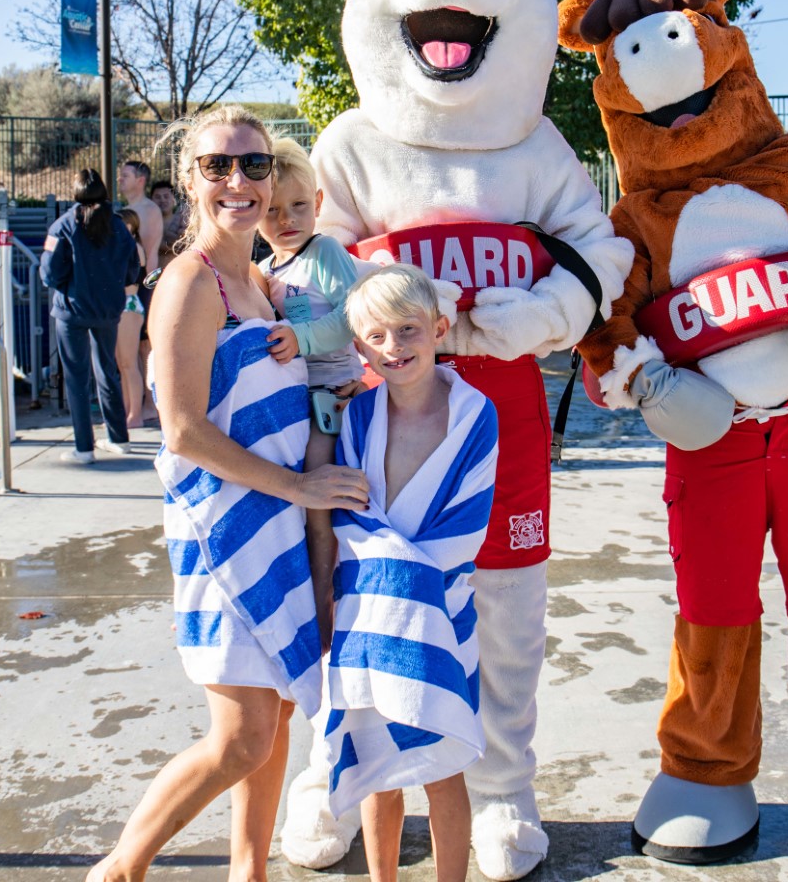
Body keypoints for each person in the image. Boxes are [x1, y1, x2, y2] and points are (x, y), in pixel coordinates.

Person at [86, 105, 370, 882]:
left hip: (277, 527)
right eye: (218, 166)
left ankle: (251, 873)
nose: (238, 181)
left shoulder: (265, 283)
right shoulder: (191, 282)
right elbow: (181, 430)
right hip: (225, 534)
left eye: (254, 165)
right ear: (190, 181)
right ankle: (121, 868)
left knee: (274, 716)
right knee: (240, 737)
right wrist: (298, 482)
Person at [322, 264, 498, 882]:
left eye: (408, 330)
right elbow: (349, 515)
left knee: (444, 769)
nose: (394, 348)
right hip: (370, 617)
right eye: (377, 336)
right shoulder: (359, 418)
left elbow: (466, 526)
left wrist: (402, 578)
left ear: (439, 328)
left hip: (444, 614)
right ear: (358, 344)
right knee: (378, 771)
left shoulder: (477, 415)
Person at [257, 137, 370, 648]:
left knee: (319, 504)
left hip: (334, 398)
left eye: (300, 206)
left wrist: (300, 339)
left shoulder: (322, 251)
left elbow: (351, 319)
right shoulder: (264, 272)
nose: (287, 219)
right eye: (274, 209)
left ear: (319, 204)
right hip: (295, 404)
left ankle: (325, 620)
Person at [40, 168, 138, 463]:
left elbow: (49, 273)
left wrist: (70, 287)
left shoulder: (63, 226)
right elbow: (132, 270)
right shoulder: (119, 227)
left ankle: (84, 448)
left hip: (72, 311)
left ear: (76, 192)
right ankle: (119, 438)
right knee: (108, 372)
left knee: (76, 378)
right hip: (109, 311)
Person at [116, 209, 150, 428]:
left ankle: (135, 414)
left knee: (129, 364)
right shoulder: (121, 247)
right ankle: (127, 411)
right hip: (119, 306)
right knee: (122, 364)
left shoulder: (133, 248)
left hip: (128, 305)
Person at [150, 177, 186, 265]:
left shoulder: (183, 222)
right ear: (151, 200)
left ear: (174, 200)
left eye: (166, 196)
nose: (162, 200)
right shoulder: (146, 223)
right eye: (157, 197)